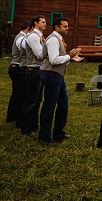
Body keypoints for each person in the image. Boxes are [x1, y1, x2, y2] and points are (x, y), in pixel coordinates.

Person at [38, 17, 82, 145]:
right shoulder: (53, 40)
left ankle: (58, 132)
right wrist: (70, 55)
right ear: (57, 27)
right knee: (49, 106)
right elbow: (53, 60)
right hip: (51, 75)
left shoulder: (59, 39)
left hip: (57, 76)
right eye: (65, 26)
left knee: (63, 104)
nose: (67, 28)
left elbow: (58, 59)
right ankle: (44, 137)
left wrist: (70, 58)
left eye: (68, 26)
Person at [21, 15, 46, 136]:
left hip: (39, 71)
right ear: (35, 23)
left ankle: (33, 126)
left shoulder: (39, 36)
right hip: (33, 71)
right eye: (43, 22)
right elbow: (39, 54)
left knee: (38, 100)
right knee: (31, 101)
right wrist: (51, 51)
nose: (45, 24)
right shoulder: (33, 37)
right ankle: (25, 129)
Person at [7, 21, 32, 128]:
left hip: (16, 67)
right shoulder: (21, 38)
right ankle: (14, 116)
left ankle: (12, 116)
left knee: (17, 93)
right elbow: (25, 48)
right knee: (19, 93)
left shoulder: (20, 36)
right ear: (29, 28)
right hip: (16, 67)